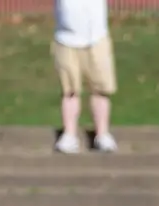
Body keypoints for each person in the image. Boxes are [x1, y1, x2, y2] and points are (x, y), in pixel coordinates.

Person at [52, 0, 118, 153]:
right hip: (66, 38)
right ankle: (69, 135)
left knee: (100, 89)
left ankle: (102, 134)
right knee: (69, 90)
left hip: (96, 37)